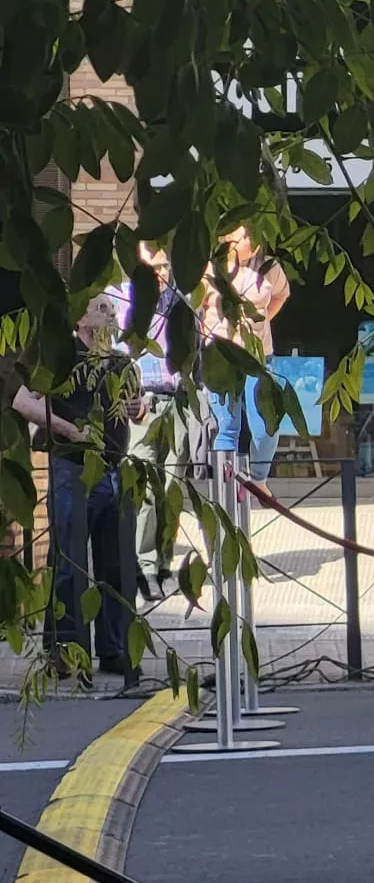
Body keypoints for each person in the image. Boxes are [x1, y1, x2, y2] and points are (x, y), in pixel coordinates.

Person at [29, 293, 143, 688]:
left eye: (113, 309)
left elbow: (136, 406)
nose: (110, 315)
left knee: (116, 566)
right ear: (80, 318)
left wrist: (138, 408)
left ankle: (114, 650)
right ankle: (65, 653)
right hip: (71, 470)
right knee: (70, 565)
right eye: (101, 308)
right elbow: (24, 400)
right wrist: (69, 430)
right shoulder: (63, 357)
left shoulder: (122, 362)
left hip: (115, 469)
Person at [113, 243, 207, 598]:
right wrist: (126, 397)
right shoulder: (124, 302)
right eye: (155, 266)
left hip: (177, 402)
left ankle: (164, 565)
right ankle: (143, 567)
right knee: (144, 488)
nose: (162, 273)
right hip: (143, 404)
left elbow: (194, 354)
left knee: (172, 489)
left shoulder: (183, 303)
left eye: (166, 265)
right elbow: (113, 355)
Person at [203, 226, 290, 482]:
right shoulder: (210, 268)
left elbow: (281, 295)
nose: (253, 241)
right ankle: (225, 492)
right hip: (221, 355)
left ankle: (258, 480)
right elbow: (195, 305)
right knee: (227, 426)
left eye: (255, 234)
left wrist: (262, 321)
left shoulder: (268, 266)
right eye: (246, 236)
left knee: (266, 426)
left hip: (259, 355)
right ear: (228, 239)